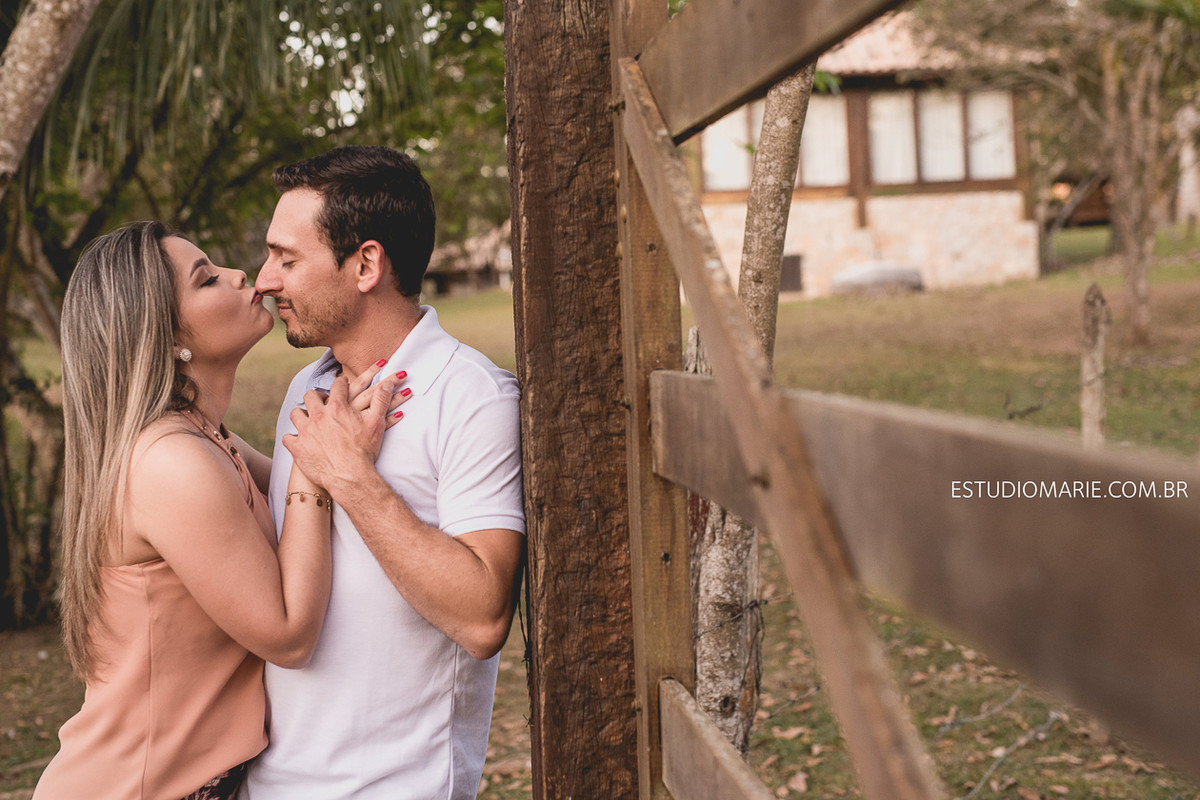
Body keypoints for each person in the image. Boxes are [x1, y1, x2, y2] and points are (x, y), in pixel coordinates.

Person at [35, 221, 405, 800]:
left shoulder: (206, 439)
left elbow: (288, 475)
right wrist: (319, 467)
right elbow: (287, 635)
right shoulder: (170, 462)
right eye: (207, 280)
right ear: (165, 337)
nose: (241, 275)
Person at [239, 146, 525, 799]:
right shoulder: (305, 388)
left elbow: (483, 619)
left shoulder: (473, 396)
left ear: (365, 264)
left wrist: (352, 479)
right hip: (271, 783)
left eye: (287, 258)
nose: (265, 279)